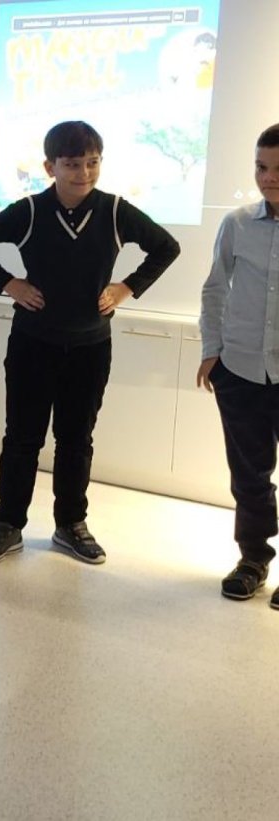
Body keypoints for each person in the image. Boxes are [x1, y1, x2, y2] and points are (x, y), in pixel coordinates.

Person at [0, 120, 180, 565]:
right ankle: (8, 524)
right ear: (51, 167)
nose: (84, 173)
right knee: (22, 438)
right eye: (73, 164)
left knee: (76, 439)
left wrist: (126, 288)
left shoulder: (115, 211)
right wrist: (9, 284)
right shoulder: (30, 211)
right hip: (32, 344)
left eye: (92, 163)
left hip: (90, 348)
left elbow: (166, 247)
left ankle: (70, 524)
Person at [197, 123, 279, 603]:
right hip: (241, 369)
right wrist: (212, 351)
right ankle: (253, 559)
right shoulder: (237, 223)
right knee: (249, 474)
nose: (269, 178)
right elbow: (214, 287)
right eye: (261, 167)